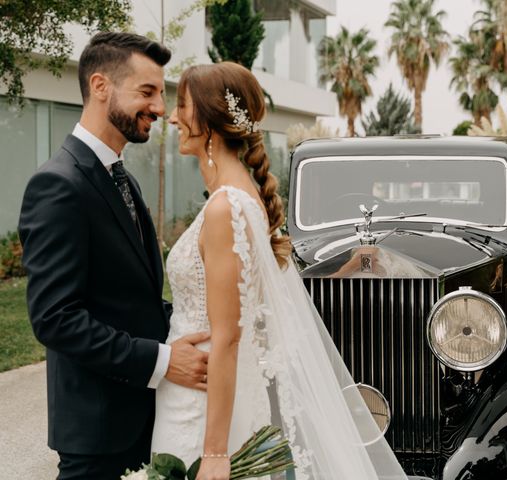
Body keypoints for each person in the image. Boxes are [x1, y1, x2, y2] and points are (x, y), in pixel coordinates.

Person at [151, 61, 407, 480]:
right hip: (200, 394)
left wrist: (214, 453)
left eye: (183, 106)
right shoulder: (242, 197)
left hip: (202, 411)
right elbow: (266, 312)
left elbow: (229, 337)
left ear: (212, 120)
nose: (173, 116)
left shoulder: (224, 207)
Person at [18, 32, 210, 480]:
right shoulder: (58, 185)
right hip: (98, 436)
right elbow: (55, 318)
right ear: (101, 86)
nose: (161, 109)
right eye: (147, 92)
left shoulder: (122, 178)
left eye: (160, 94)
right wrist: (162, 362)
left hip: (148, 423)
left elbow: (130, 299)